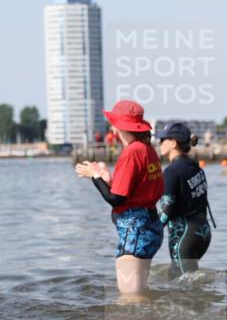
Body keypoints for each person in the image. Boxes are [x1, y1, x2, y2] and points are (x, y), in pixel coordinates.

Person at [75, 100, 164, 295]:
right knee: (140, 292)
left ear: (118, 127)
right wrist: (109, 180)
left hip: (135, 230)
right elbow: (137, 190)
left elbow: (116, 199)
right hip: (151, 226)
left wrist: (94, 176)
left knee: (129, 298)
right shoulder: (147, 149)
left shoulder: (131, 152)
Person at [156, 122, 213, 278]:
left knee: (183, 284)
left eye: (163, 140)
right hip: (203, 232)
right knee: (183, 277)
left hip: (184, 237)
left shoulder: (172, 171)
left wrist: (151, 230)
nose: (160, 143)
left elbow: (166, 209)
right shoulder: (195, 167)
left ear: (173, 143)